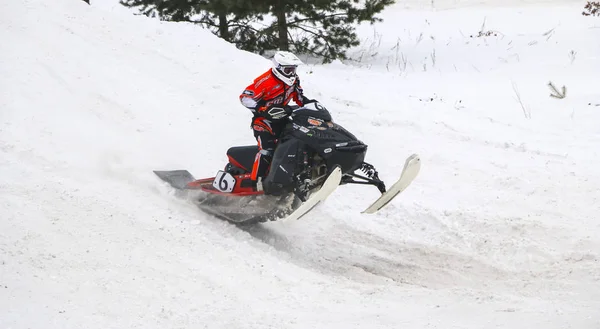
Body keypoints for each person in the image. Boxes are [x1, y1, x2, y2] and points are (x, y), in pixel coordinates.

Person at [239, 51, 310, 190]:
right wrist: (260, 108)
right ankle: (256, 183)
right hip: (263, 121)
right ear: (278, 68)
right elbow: (245, 97)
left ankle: (295, 176)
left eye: (293, 70)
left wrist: (309, 104)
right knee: (267, 149)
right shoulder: (265, 81)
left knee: (296, 143)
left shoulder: (294, 80)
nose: (291, 73)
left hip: (282, 117)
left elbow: (299, 97)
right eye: (288, 70)